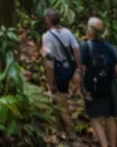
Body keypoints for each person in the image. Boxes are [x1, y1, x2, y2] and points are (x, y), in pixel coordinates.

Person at [79, 17, 117, 147]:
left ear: (89, 30)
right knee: (110, 118)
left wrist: (81, 88)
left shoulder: (84, 47)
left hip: (93, 89)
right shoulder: (111, 48)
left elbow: (81, 71)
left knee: (94, 118)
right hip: (109, 88)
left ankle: (104, 145)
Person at [41, 9, 81, 141]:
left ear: (48, 20)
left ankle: (71, 133)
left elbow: (49, 62)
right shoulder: (67, 32)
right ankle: (59, 131)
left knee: (60, 103)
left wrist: (50, 81)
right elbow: (76, 49)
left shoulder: (47, 36)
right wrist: (78, 69)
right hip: (68, 69)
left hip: (58, 72)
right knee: (59, 99)